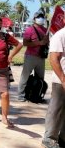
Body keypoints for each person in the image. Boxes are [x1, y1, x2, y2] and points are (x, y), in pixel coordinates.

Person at [41, 16, 65, 148]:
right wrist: (63, 78)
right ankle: (49, 138)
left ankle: (63, 138)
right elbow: (53, 59)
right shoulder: (60, 35)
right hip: (61, 80)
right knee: (57, 109)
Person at [18, 9, 49, 101]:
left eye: (42, 16)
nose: (41, 18)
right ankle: (21, 96)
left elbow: (47, 42)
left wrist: (46, 42)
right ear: (34, 18)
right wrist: (39, 42)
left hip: (41, 57)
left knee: (40, 78)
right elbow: (25, 43)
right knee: (25, 76)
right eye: (38, 17)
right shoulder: (30, 30)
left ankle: (36, 95)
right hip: (30, 56)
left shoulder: (45, 30)